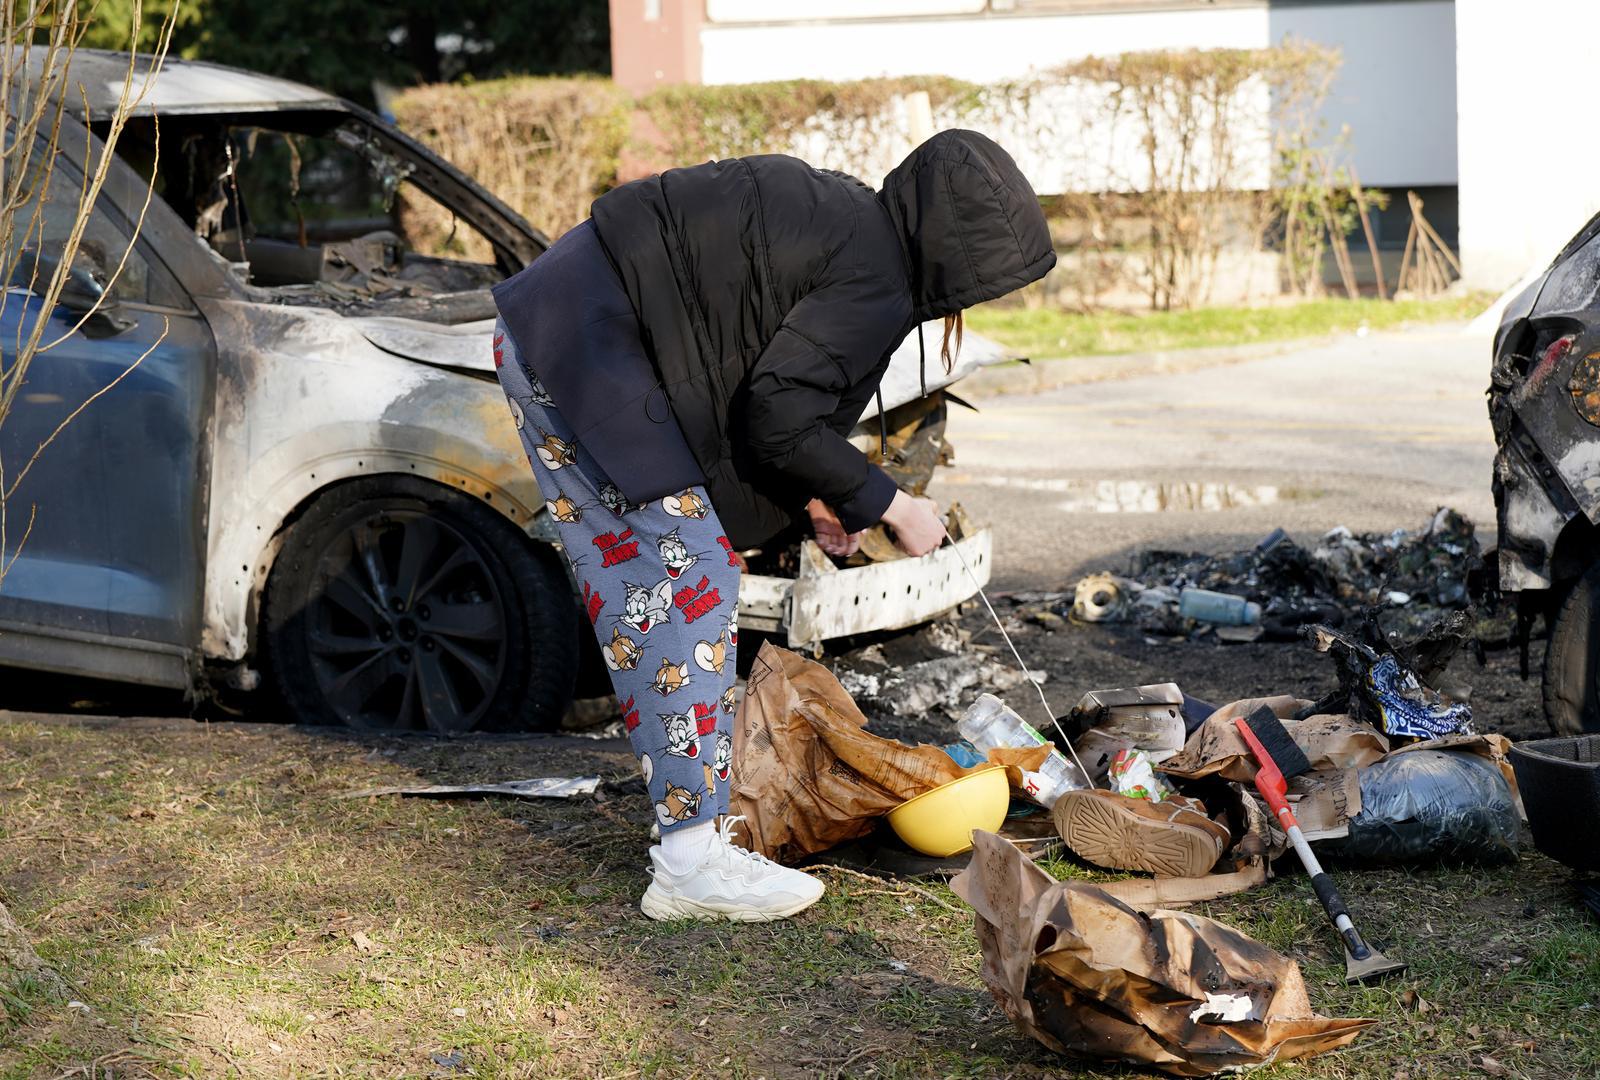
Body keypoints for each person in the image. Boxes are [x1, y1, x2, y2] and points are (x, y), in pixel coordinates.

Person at [491, 129, 1055, 922]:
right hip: (585, 341)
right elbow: (775, 416)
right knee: (684, 582)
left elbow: (753, 372)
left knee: (684, 571)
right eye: (990, 274)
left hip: (561, 322)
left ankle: (696, 837)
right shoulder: (878, 277)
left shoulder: (859, 226)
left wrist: (824, 500)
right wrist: (893, 505)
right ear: (958, 249)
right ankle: (688, 864)